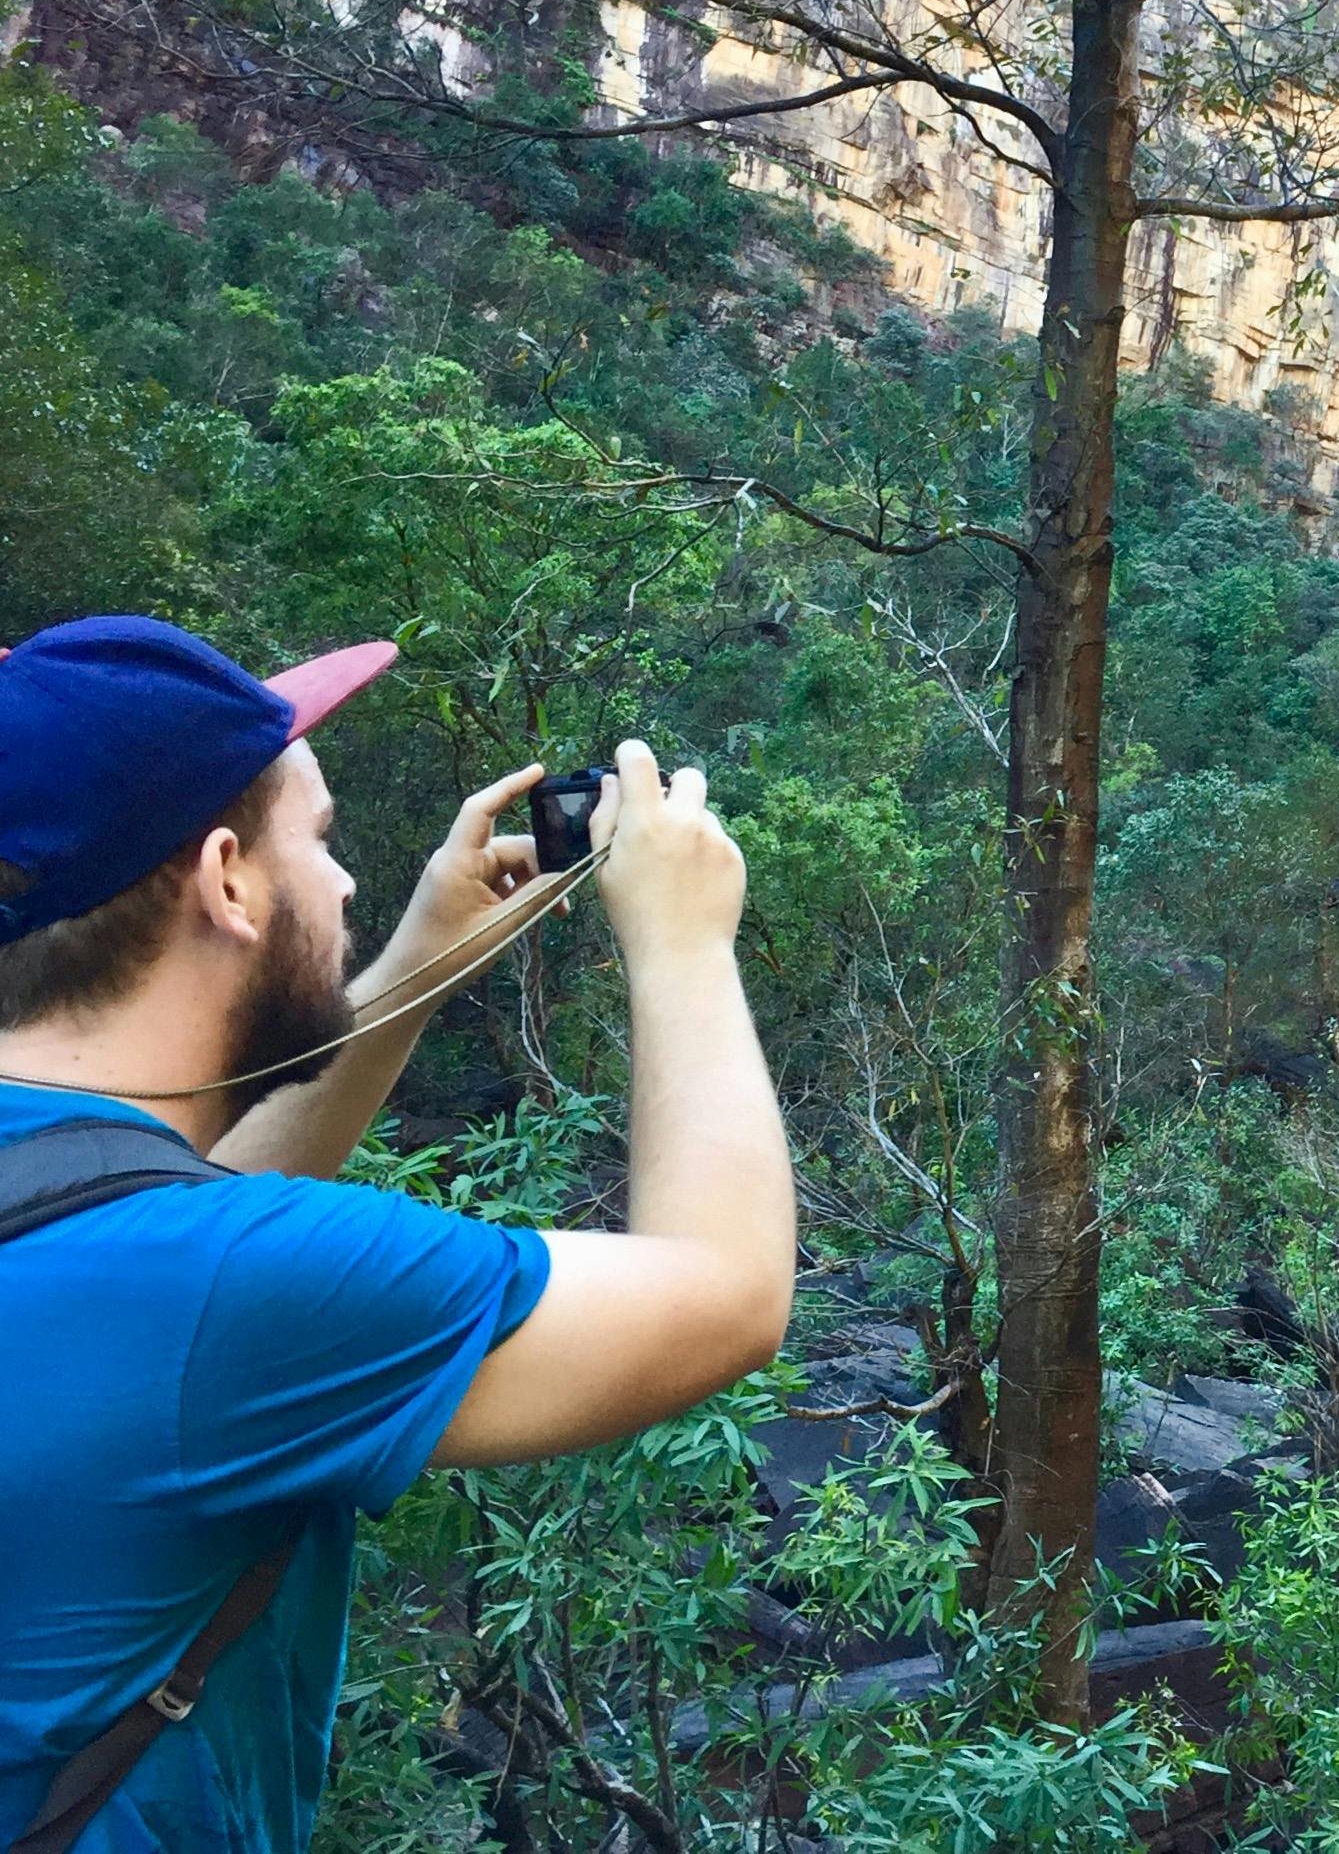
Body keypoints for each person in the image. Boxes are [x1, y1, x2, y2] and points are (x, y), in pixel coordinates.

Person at [0, 616, 797, 1852]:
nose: (349, 883)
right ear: (225, 878)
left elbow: (137, 1231)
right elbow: (727, 1291)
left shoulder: (112, 1238)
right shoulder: (230, 1289)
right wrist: (683, 939)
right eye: (317, 841)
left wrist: (418, 963)